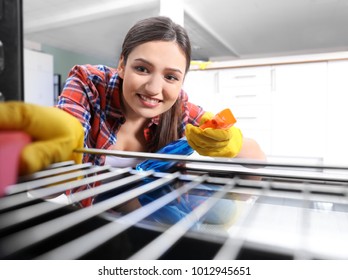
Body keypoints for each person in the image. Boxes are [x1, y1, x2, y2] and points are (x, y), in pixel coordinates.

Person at [56, 16, 265, 206]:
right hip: (88, 222)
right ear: (122, 64)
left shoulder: (179, 108)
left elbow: (258, 159)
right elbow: (55, 173)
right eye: (142, 69)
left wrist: (230, 142)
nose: (154, 89)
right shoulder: (88, 84)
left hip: (150, 224)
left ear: (182, 80)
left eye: (171, 77)